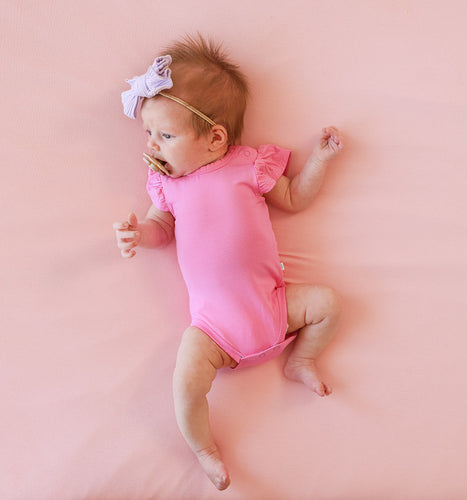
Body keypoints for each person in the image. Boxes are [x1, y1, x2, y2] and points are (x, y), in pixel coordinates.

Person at [114, 34, 343, 491]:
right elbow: (163, 230)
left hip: (276, 307)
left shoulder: (246, 165)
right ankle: (204, 449)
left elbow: (295, 198)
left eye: (166, 134)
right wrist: (141, 233)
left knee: (328, 302)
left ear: (215, 137)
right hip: (213, 330)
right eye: (148, 134)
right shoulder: (167, 188)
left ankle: (303, 359)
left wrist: (319, 160)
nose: (153, 146)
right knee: (185, 383)